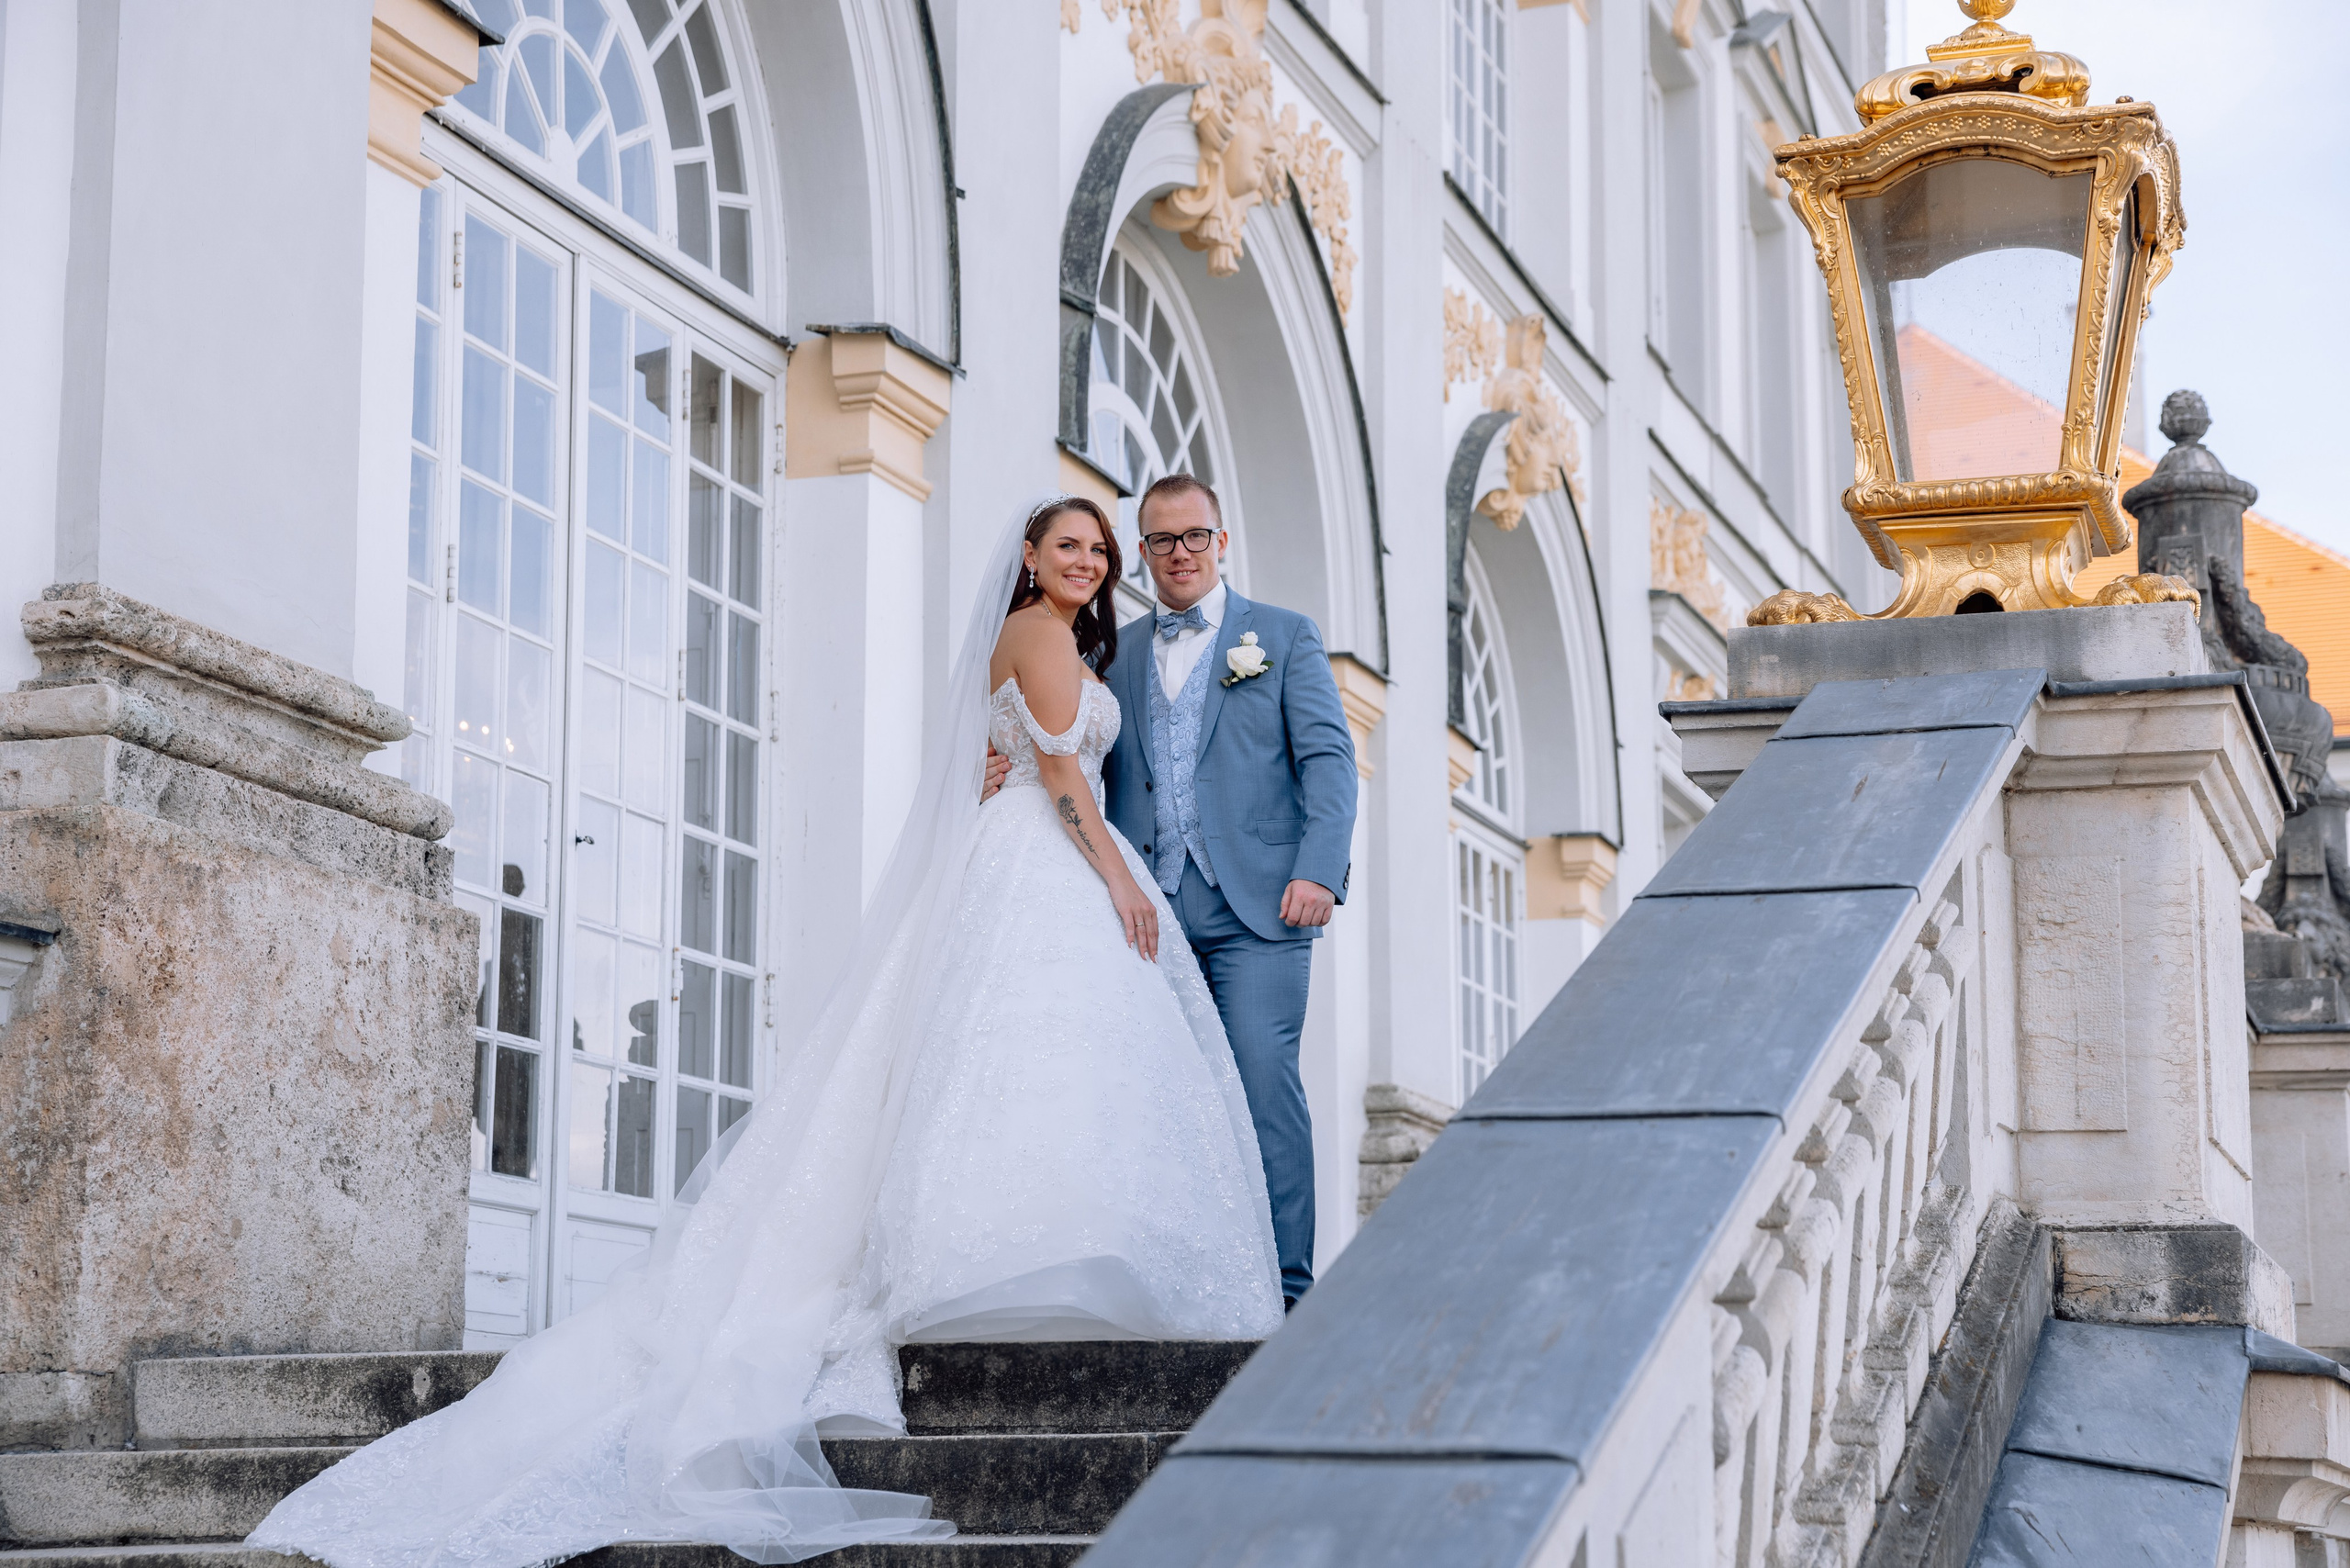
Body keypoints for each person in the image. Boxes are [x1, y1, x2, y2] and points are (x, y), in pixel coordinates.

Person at [247, 497, 1281, 1568]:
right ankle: (1019, 1266)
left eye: (1098, 549)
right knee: (1024, 1056)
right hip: (1051, 853)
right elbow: (1063, 772)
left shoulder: (1055, 638)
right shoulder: (1036, 629)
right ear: (1028, 556)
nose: (1087, 559)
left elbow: (1027, 755)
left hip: (1028, 845)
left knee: (1042, 1065)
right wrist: (1117, 873)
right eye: (1068, 544)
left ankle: (1049, 1268)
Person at [987, 474, 1357, 1306]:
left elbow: (1330, 761)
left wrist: (1318, 868)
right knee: (1165, 1101)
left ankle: (1289, 1294)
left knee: (1264, 1087)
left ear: (1222, 542)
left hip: (1264, 907)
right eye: (1159, 540)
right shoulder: (1110, 653)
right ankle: (1199, 1290)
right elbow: (1070, 755)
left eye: (1194, 537)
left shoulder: (1285, 637)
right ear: (1141, 554)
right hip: (1146, 911)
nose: (1179, 553)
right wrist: (995, 763)